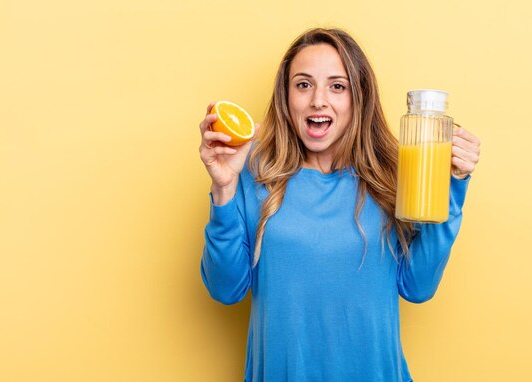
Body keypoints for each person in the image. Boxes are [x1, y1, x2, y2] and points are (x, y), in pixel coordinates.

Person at [198, 28, 480, 382]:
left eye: (337, 86)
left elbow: (418, 286)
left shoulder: (393, 175)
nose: (318, 100)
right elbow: (225, 288)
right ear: (286, 98)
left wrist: (450, 187)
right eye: (303, 85)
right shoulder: (254, 173)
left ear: (358, 97)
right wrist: (223, 188)